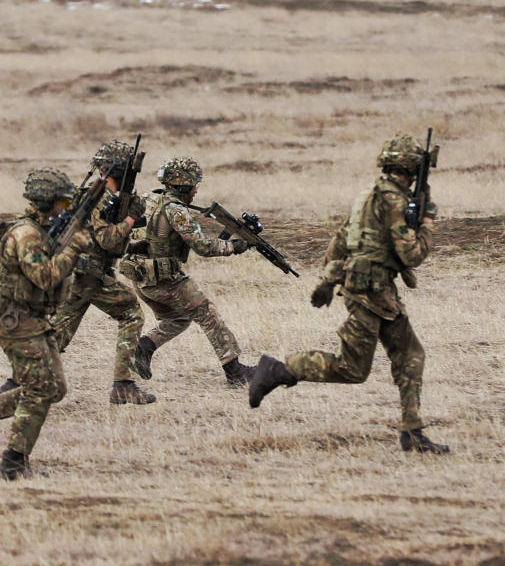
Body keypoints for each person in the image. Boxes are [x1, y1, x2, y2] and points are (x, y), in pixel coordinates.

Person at [247, 133, 451, 453]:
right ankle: (279, 370)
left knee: (410, 356)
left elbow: (341, 239)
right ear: (406, 170)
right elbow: (412, 255)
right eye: (413, 173)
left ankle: (412, 432)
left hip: (375, 290)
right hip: (372, 293)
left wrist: (328, 281)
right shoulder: (395, 201)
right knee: (352, 369)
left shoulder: (368, 195)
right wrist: (426, 223)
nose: (413, 180)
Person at [0, 169, 93, 480]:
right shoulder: (27, 235)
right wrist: (75, 247)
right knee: (39, 389)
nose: (67, 208)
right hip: (14, 320)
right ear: (45, 204)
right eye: (62, 202)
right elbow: (45, 276)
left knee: (55, 388)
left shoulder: (43, 229)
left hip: (31, 318)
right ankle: (14, 463)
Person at [119, 156, 257, 386]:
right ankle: (235, 371)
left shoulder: (149, 198)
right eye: (194, 185)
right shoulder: (176, 211)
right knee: (208, 313)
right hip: (164, 279)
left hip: (141, 277)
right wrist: (235, 246)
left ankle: (144, 347)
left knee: (179, 318)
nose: (196, 191)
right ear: (182, 185)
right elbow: (202, 246)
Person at [46, 140, 155, 405]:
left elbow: (107, 242)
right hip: (90, 274)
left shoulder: (99, 195)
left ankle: (19, 385)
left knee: (57, 335)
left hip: (80, 273)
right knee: (131, 313)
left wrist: (134, 240)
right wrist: (131, 218)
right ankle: (123, 385)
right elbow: (106, 240)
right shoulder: (103, 199)